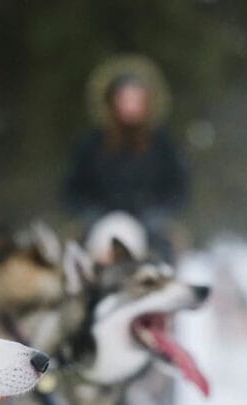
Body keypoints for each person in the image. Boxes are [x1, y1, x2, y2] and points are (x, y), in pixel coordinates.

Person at [63, 55, 189, 260]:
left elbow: (178, 189)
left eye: (137, 98)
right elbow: (72, 190)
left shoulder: (163, 144)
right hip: (98, 224)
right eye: (124, 98)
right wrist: (94, 215)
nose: (131, 105)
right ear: (112, 101)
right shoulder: (92, 143)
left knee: (165, 254)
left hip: (150, 227)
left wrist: (155, 215)